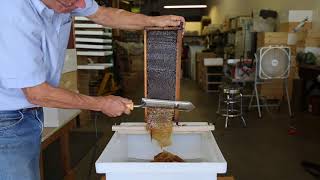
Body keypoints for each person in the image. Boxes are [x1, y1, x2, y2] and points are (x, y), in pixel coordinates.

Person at [0, 0, 185, 179]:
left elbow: (103, 13)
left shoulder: (69, 1)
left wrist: (152, 21)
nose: (81, 5)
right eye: (71, 2)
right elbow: (37, 93)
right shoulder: (13, 14)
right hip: (6, 120)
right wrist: (101, 103)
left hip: (28, 114)